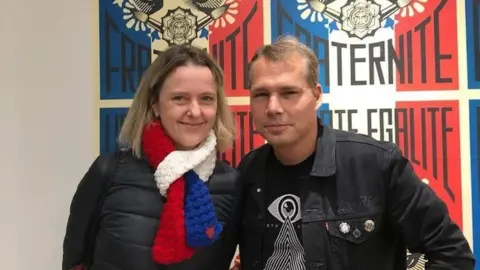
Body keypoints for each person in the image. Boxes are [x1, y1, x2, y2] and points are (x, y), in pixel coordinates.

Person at [221, 35, 475, 270]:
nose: (273, 107)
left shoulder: (377, 164)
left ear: (316, 95)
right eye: (261, 94)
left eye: (289, 93)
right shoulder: (248, 171)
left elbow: (452, 254)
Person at [62, 44, 239, 270]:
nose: (195, 111)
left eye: (206, 98)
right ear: (155, 103)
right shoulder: (108, 172)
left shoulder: (231, 184)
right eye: (180, 98)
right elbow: (75, 261)